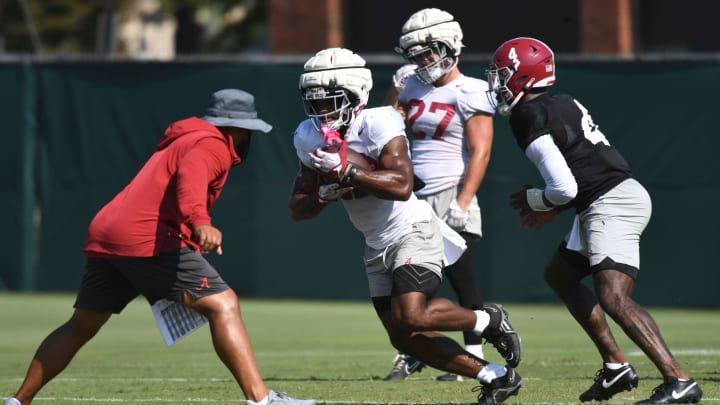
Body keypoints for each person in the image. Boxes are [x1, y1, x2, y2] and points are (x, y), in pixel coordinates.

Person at [2, 89, 316, 405]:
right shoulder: (212, 144)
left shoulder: (186, 139)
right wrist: (200, 221)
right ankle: (261, 400)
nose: (250, 137)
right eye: (249, 131)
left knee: (80, 327)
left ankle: (19, 401)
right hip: (145, 239)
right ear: (235, 127)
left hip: (109, 234)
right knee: (224, 304)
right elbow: (189, 180)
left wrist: (191, 234)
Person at [288, 46, 523, 405]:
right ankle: (495, 376)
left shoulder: (380, 122)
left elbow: (402, 185)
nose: (321, 112)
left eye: (330, 101)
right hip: (374, 243)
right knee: (402, 336)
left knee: (412, 313)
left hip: (412, 228)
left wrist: (349, 172)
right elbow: (297, 208)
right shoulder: (307, 135)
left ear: (355, 95)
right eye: (315, 103)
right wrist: (324, 194)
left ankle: (486, 320)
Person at [486, 37, 703, 404]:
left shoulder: (528, 115)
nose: (499, 84)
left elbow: (564, 187)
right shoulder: (565, 101)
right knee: (561, 275)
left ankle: (678, 381)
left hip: (610, 201)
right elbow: (580, 171)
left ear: (524, 76)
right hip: (608, 196)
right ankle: (616, 368)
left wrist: (536, 200)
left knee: (614, 296)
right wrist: (553, 204)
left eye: (504, 75)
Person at [382, 8, 520, 383]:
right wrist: (395, 94)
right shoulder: (409, 83)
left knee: (461, 278)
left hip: (450, 191)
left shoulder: (471, 89)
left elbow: (482, 151)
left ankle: (471, 356)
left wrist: (463, 200)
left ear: (450, 47)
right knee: (407, 279)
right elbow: (384, 128)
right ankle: (412, 351)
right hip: (411, 196)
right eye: (416, 54)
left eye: (429, 52)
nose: (422, 61)